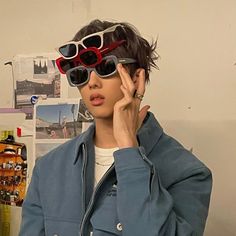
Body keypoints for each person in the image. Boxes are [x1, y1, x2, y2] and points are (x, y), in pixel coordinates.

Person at [19, 19, 212, 236]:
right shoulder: (48, 169)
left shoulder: (187, 173)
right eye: (80, 74)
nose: (92, 83)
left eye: (105, 67)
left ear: (137, 78)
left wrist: (129, 151)